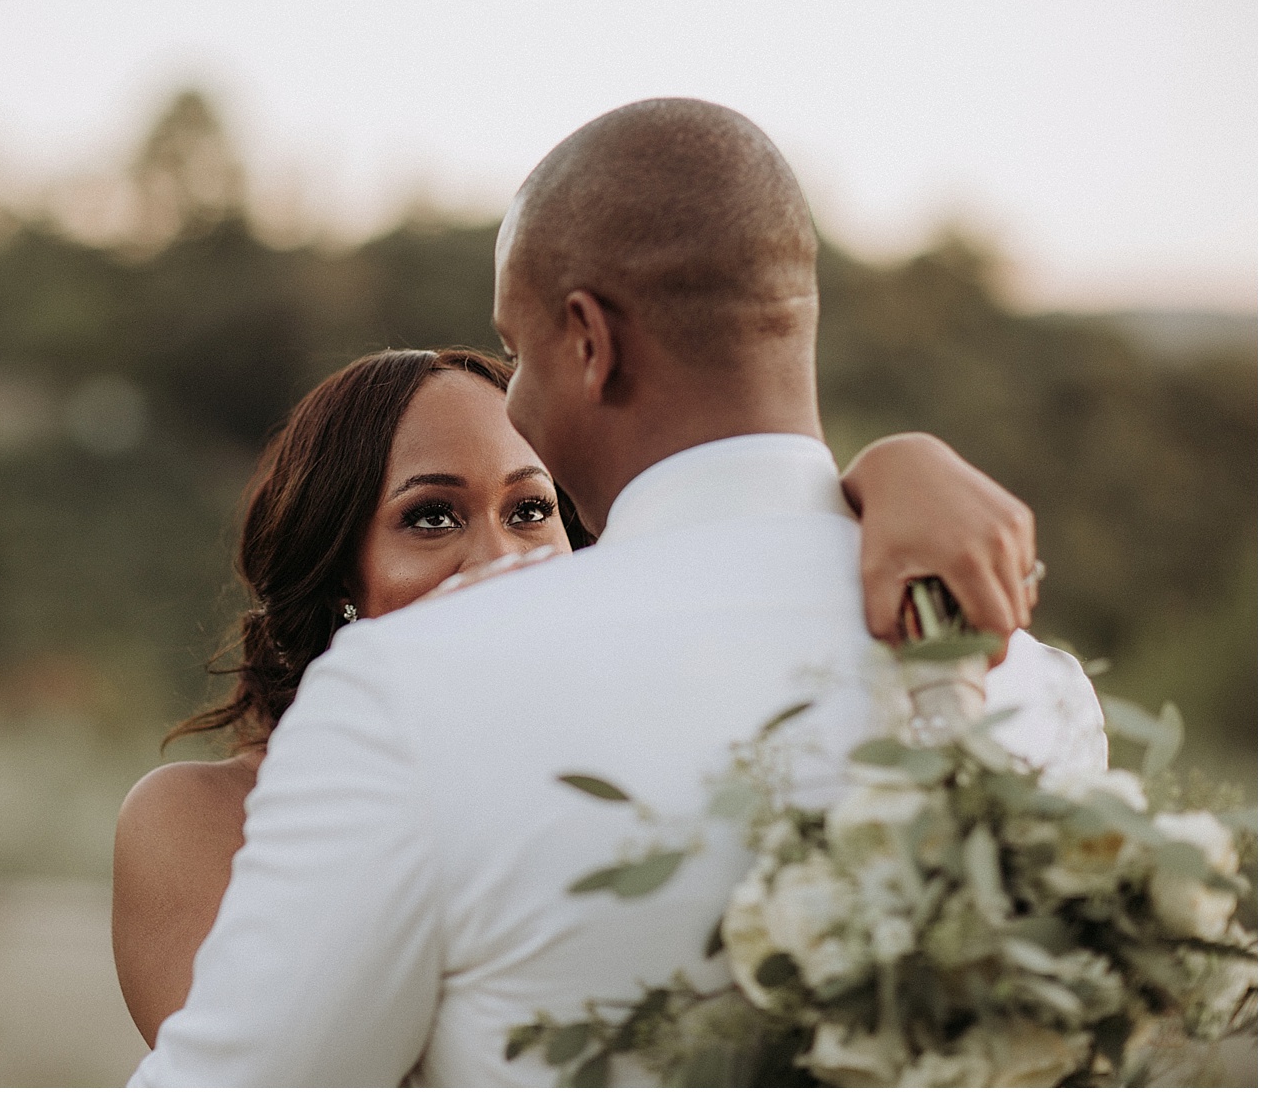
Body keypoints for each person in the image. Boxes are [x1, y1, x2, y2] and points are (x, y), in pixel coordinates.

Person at [126, 99, 1106, 1085]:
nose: (516, 406)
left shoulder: (411, 701)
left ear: (588, 341)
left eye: (518, 352)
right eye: (431, 516)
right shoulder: (1036, 693)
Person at [114, 352, 1050, 1047]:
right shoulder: (194, 822)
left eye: (530, 509)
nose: (503, 556)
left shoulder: (614, 765)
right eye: (431, 516)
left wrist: (893, 467)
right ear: (335, 575)